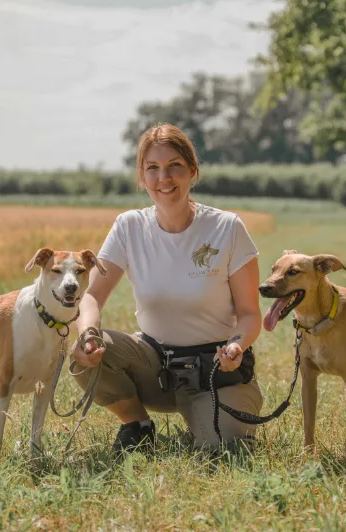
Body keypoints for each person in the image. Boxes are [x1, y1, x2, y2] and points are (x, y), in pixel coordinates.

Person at [70, 123, 264, 456]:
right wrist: (87, 333)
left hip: (215, 369)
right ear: (142, 178)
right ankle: (137, 425)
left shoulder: (227, 228)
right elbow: (91, 296)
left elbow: (249, 314)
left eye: (174, 165)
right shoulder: (129, 226)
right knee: (85, 350)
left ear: (192, 170)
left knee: (225, 452)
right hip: (154, 365)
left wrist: (236, 346)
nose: (164, 178)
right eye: (153, 168)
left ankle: (207, 415)